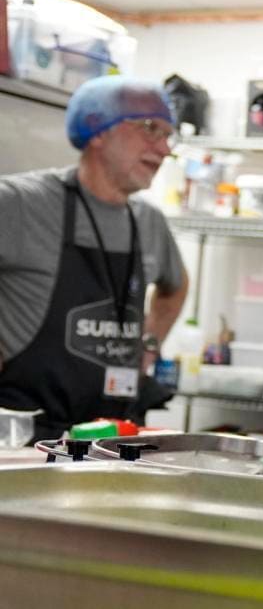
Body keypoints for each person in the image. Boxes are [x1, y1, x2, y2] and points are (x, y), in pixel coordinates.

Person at [0, 75, 188, 441]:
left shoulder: (149, 222)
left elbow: (175, 287)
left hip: (112, 441)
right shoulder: (21, 203)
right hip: (24, 441)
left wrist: (150, 343)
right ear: (96, 130)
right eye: (150, 129)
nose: (164, 149)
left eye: (168, 136)